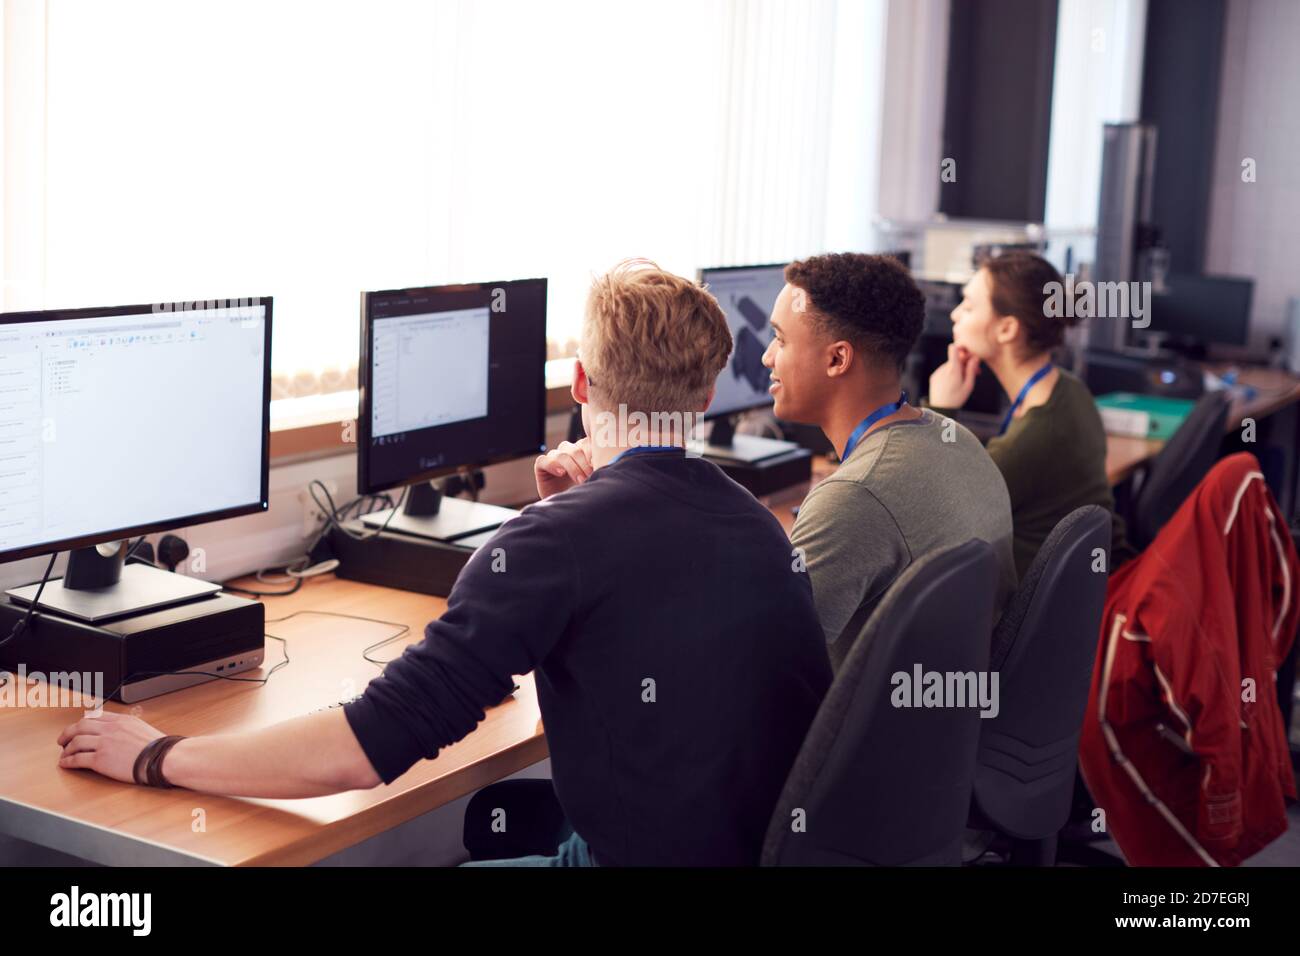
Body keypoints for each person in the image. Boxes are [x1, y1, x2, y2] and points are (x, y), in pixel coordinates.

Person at [56, 260, 832, 867]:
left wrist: (157, 756)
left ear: (582, 383)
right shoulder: (756, 523)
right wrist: (588, 509)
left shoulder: (561, 541)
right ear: (701, 396)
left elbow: (365, 750)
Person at [763, 252, 1017, 670]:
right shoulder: (958, 440)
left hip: (868, 733)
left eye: (781, 339)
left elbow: (768, 668)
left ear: (837, 360)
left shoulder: (852, 498)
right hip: (954, 722)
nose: (768, 357)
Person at [928, 252, 1135, 579]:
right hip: (1093, 588)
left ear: (1007, 329)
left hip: (1042, 616)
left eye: (967, 306)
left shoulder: (1037, 435)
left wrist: (941, 407)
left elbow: (931, 510)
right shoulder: (1069, 390)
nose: (955, 314)